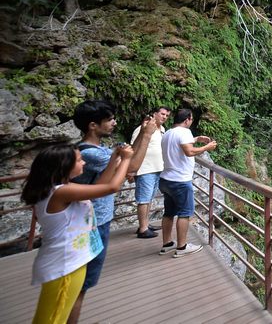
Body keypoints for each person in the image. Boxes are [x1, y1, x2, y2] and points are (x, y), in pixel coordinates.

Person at [21, 143, 134, 324]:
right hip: (64, 266)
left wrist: (115, 158)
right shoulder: (61, 192)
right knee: (52, 319)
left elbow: (100, 188)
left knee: (57, 315)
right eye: (80, 160)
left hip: (70, 262)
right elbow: (112, 187)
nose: (84, 163)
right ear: (64, 166)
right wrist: (127, 159)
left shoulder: (61, 188)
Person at [66, 100, 153, 324]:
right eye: (110, 119)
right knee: (79, 287)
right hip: (91, 224)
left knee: (79, 285)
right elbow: (131, 166)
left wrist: (142, 133)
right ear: (93, 125)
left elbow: (127, 157)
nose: (114, 123)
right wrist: (148, 136)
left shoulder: (97, 150)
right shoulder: (92, 154)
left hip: (95, 221)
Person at [158, 108, 217, 257]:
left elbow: (179, 144)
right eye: (191, 120)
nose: (191, 122)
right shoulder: (185, 132)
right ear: (187, 120)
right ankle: (182, 247)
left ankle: (167, 244)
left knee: (169, 213)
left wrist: (197, 139)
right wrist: (207, 147)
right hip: (180, 181)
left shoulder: (168, 133)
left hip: (166, 179)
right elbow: (189, 152)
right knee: (184, 213)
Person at [130, 106, 170, 238]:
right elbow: (134, 147)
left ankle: (146, 224)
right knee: (144, 199)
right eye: (162, 114)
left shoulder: (162, 130)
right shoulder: (142, 129)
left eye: (167, 115)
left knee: (149, 198)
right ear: (154, 114)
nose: (164, 117)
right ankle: (142, 229)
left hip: (157, 168)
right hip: (145, 168)